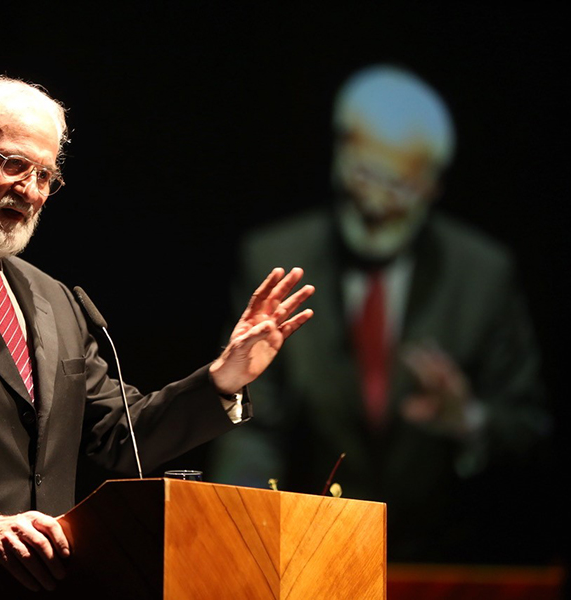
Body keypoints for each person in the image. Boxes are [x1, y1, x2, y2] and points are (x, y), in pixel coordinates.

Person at [0, 76, 315, 598]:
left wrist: (224, 378)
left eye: (45, 175)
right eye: (13, 164)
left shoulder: (53, 298)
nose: (30, 191)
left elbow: (120, 435)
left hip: (50, 586)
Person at [209, 64, 551, 563]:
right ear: (340, 152)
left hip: (444, 564)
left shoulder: (483, 275)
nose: (374, 204)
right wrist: (241, 536)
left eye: (398, 184)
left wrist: (470, 422)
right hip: (308, 555)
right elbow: (253, 426)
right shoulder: (275, 257)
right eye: (365, 173)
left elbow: (529, 431)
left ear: (433, 184)